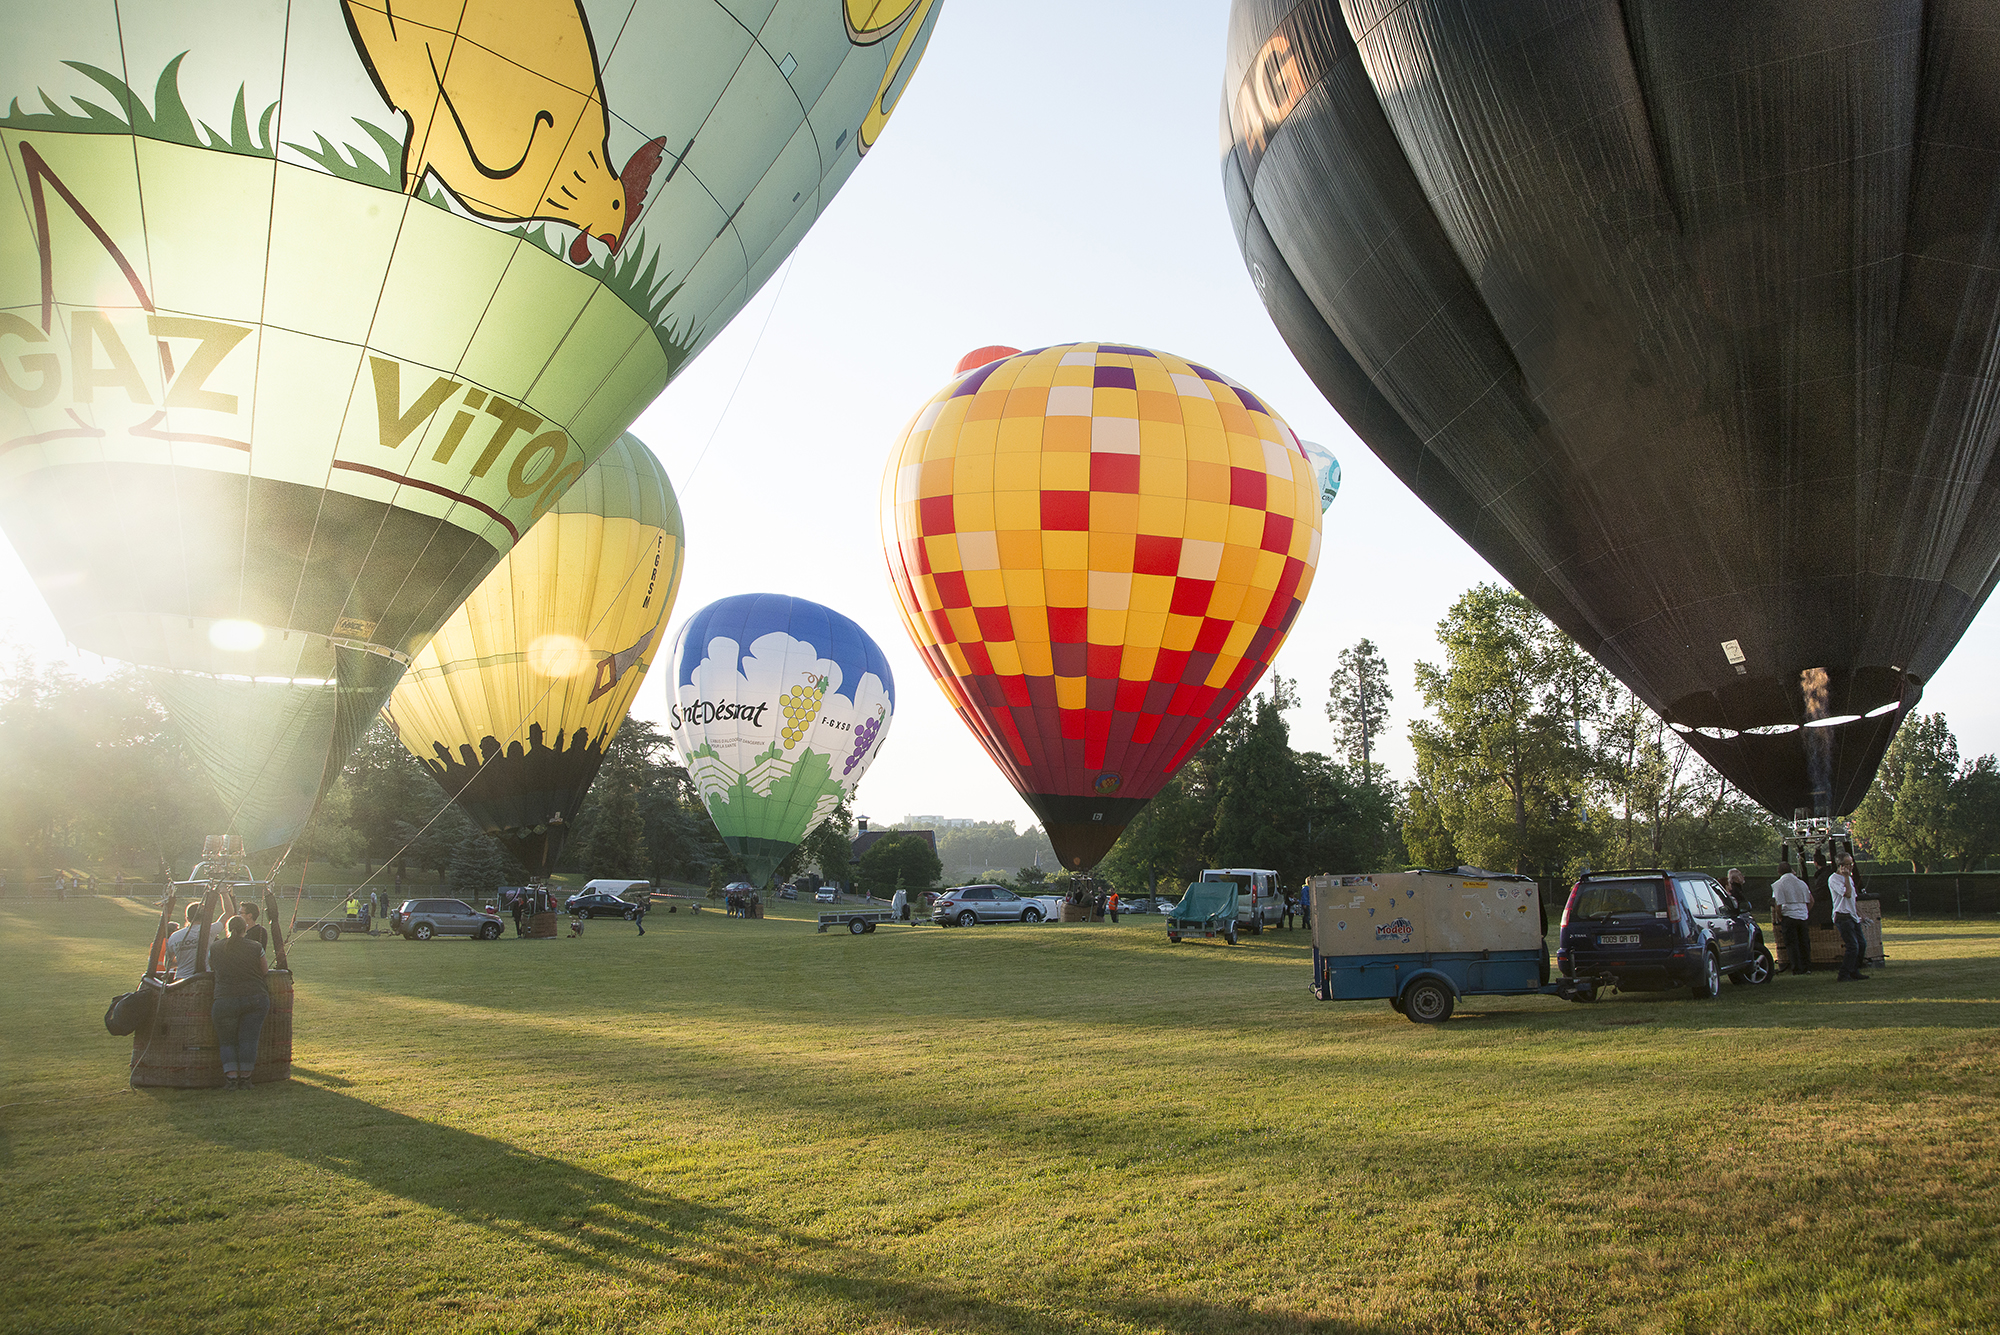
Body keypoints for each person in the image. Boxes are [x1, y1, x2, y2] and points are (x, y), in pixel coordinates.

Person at [209, 914, 270, 1091]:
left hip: (224, 998)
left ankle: (231, 1078)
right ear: (245, 929)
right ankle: (246, 1078)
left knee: (227, 1041)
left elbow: (212, 967)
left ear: (227, 929)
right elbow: (264, 970)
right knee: (249, 1040)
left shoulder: (216, 947)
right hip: (255, 997)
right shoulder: (255, 946)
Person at [1770, 856, 1813, 975]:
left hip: (1788, 915)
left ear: (1779, 872)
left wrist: (1780, 917)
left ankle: (1797, 968)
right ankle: (1807, 967)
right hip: (1802, 915)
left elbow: (1778, 904)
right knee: (1804, 942)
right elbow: (1811, 900)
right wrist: (1805, 911)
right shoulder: (1801, 883)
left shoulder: (1778, 884)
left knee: (1792, 944)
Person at [1829, 854, 1869, 981]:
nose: (1851, 866)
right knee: (1853, 946)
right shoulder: (1834, 879)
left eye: (1852, 863)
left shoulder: (1849, 879)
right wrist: (1846, 877)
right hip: (1842, 916)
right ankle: (1844, 974)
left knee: (1861, 944)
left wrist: (1861, 914)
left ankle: (1854, 970)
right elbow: (1847, 894)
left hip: (1852, 916)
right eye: (1848, 864)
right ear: (1841, 865)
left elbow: (1853, 899)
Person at [166, 903, 211, 979]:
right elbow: (228, 913)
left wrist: (185, 962)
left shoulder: (174, 936)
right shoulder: (211, 930)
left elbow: (168, 963)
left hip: (181, 978)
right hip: (204, 979)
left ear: (187, 918)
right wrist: (224, 893)